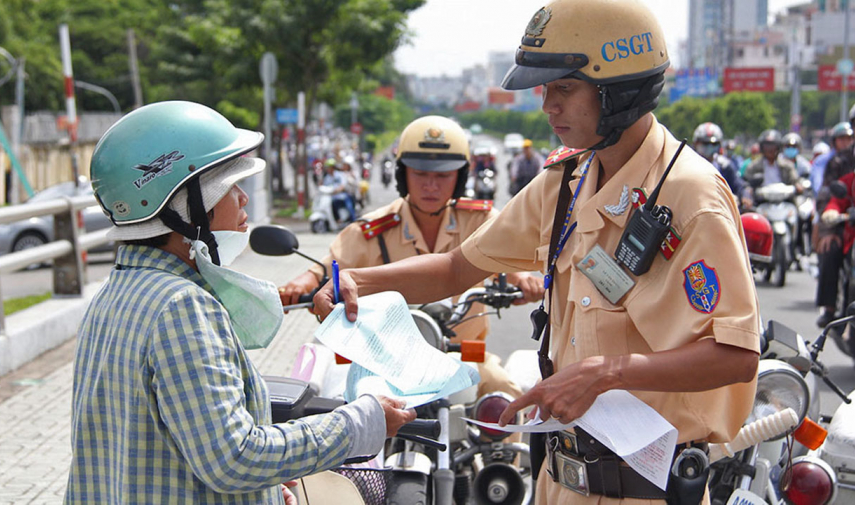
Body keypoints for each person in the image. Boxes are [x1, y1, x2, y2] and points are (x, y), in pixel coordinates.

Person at [312, 1, 760, 503]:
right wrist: (355, 280)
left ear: (619, 90)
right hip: (557, 481)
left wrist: (608, 372)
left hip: (645, 489)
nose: (547, 105)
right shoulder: (566, 181)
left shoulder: (692, 196)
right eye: (546, 89)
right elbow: (457, 268)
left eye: (564, 87)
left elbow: (737, 356)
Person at [65, 101, 416, 504]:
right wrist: (359, 422)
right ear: (187, 205)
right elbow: (234, 458)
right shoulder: (181, 308)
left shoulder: (116, 294)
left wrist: (264, 488)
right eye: (231, 187)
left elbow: (165, 444)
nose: (243, 199)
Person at [280, 115, 545, 421]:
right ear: (402, 175)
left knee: (506, 398)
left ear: (459, 177)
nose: (431, 185)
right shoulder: (373, 229)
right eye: (420, 174)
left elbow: (506, 258)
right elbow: (329, 270)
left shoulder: (481, 221)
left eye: (443, 176)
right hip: (383, 361)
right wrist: (302, 281)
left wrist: (525, 279)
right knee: (346, 413)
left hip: (462, 353)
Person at [815, 121, 855, 327]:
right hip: (846, 226)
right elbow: (830, 197)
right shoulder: (840, 162)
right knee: (830, 250)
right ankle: (830, 308)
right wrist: (829, 227)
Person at [742, 129, 801, 208]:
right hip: (761, 203)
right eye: (767, 146)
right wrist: (748, 191)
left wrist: (798, 186)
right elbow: (746, 183)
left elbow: (795, 180)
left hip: (785, 202)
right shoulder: (753, 167)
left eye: (773, 146)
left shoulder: (787, 166)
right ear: (762, 147)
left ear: (778, 147)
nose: (770, 149)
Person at [692, 122, 745, 204]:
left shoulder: (725, 166)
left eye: (714, 144)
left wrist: (743, 197)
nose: (709, 148)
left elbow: (739, 187)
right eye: (705, 144)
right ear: (695, 144)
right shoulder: (689, 166)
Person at [321, 157, 356, 222]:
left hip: (343, 195)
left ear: (332, 167)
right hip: (333, 197)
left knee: (348, 204)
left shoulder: (340, 175)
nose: (328, 169)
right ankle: (337, 220)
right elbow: (324, 187)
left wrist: (338, 190)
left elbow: (343, 185)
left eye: (329, 167)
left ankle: (353, 219)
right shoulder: (327, 178)